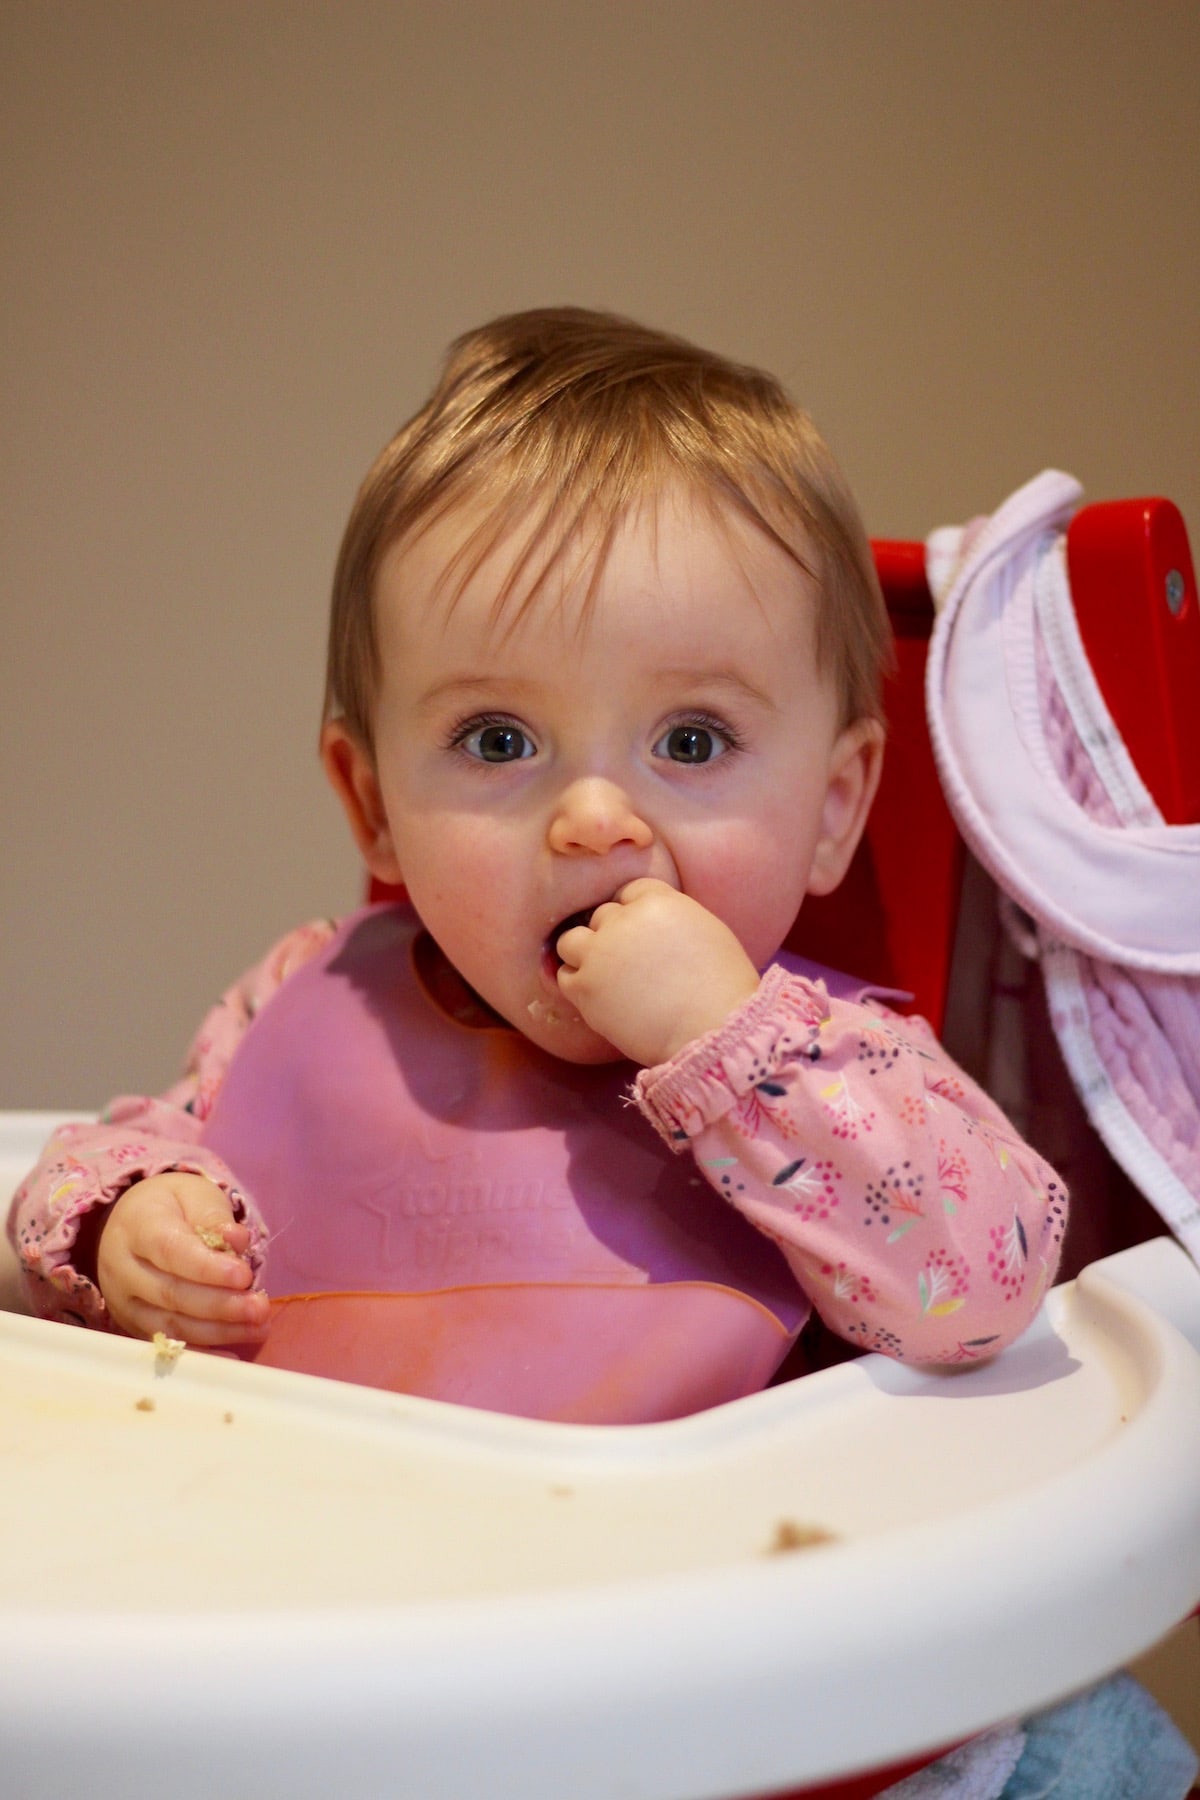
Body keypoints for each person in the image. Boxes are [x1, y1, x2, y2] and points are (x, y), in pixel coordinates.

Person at [8, 308, 1067, 1423]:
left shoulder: (839, 1071)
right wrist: (132, 1221)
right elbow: (110, 1153)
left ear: (832, 809)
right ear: (373, 804)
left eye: (692, 741)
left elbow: (985, 1289)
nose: (596, 818)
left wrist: (735, 1051)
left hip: (667, 1577)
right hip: (302, 1550)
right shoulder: (311, 998)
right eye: (499, 740)